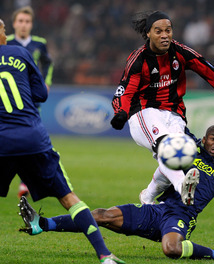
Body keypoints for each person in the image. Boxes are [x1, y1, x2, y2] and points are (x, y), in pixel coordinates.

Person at [18, 125, 214, 261]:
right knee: (102, 215)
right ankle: (41, 225)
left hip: (181, 216)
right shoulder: (188, 149)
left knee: (171, 250)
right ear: (204, 139)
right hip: (157, 208)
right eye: (213, 138)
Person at [0, 19, 124, 264]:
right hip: (32, 138)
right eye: (3, 28)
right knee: (68, 198)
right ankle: (105, 255)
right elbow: (42, 94)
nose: (6, 32)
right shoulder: (19, 53)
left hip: (2, 141)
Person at [110, 11, 214, 205]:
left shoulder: (181, 52)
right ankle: (182, 185)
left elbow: (212, 74)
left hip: (174, 115)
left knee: (181, 155)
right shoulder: (138, 60)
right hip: (143, 113)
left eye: (168, 30)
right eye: (158, 31)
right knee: (167, 149)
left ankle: (148, 196)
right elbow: (126, 91)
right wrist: (121, 113)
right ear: (148, 33)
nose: (165, 35)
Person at [6, 6, 54, 198]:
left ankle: (25, 182)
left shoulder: (39, 44)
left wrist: (47, 82)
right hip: (9, 100)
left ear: (31, 24)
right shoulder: (5, 42)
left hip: (32, 100)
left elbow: (48, 63)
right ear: (14, 23)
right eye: (20, 21)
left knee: (30, 139)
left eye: (27, 21)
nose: (24, 25)